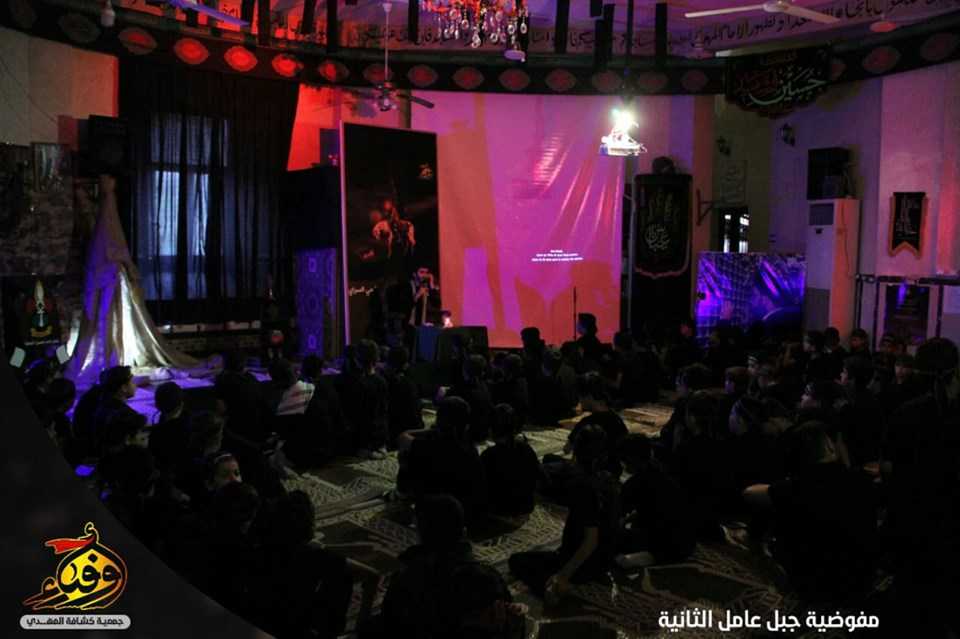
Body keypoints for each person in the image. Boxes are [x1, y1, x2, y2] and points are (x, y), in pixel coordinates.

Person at [743, 422, 878, 602]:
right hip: (862, 581)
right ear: (830, 446)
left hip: (816, 587)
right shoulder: (863, 482)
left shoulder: (797, 487)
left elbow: (750, 493)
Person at [508, 423, 619, 602]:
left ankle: (554, 589)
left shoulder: (584, 487)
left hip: (585, 564)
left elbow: (591, 541)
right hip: (605, 559)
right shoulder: (609, 479)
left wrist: (563, 575)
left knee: (517, 561)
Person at [397, 397, 488, 530]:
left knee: (406, 454)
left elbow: (403, 437)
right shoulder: (469, 447)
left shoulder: (430, 445)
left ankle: (404, 493)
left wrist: (431, 430)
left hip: (437, 510)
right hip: (466, 512)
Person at [617, 434, 696, 566]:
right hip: (687, 542)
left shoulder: (634, 484)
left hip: (663, 542)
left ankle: (647, 556)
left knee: (612, 538)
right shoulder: (664, 470)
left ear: (630, 459)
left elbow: (616, 514)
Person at [481, 405, 541, 518]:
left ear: (491, 429)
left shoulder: (489, 455)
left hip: (500, 509)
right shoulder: (526, 448)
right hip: (526, 505)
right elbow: (538, 476)